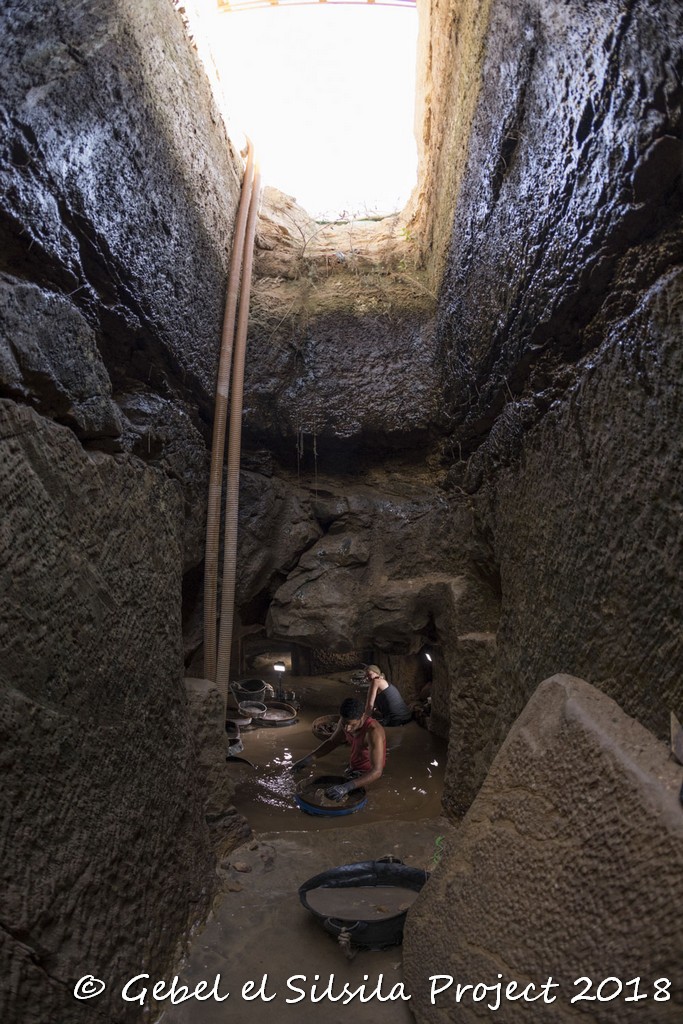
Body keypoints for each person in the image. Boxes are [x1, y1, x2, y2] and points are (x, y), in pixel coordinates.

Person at [290, 697, 386, 801]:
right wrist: (308, 759)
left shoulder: (373, 732)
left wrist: (347, 787)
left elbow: (377, 771)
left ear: (362, 716)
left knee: (342, 799)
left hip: (367, 774)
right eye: (344, 724)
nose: (347, 729)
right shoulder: (344, 722)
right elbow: (332, 742)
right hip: (353, 766)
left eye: (352, 725)